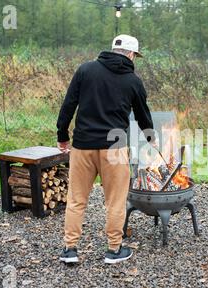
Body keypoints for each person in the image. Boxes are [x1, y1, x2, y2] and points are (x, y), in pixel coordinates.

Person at [56, 35, 155, 264]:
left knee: (76, 199)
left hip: (83, 146)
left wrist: (63, 136)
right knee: (115, 201)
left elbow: (68, 105)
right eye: (135, 56)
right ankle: (113, 250)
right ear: (131, 54)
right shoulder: (133, 81)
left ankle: (70, 249)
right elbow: (142, 115)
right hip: (114, 149)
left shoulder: (85, 70)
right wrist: (151, 139)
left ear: (112, 50)